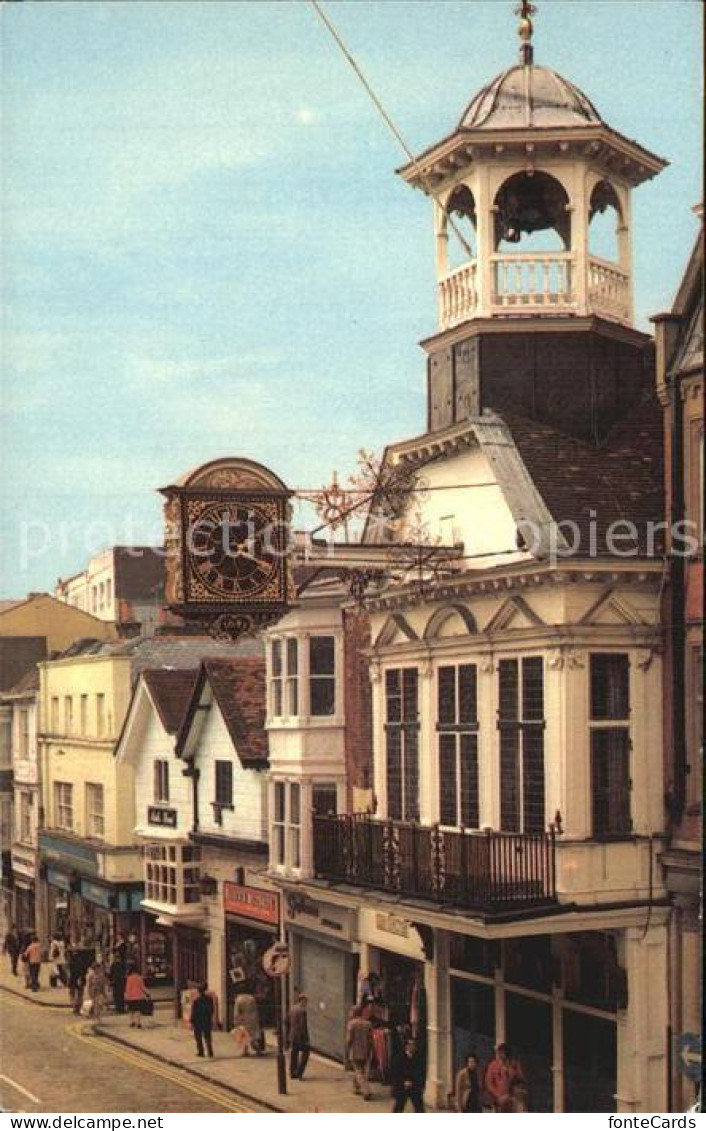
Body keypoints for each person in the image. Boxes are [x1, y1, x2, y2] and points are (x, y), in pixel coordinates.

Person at [485, 1043, 526, 1113]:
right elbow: (489, 1083)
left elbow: (520, 1080)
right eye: (500, 1053)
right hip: (498, 1100)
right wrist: (498, 1096)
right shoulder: (493, 1065)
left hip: (512, 1099)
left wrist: (515, 1093)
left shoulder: (514, 1064)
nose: (502, 1055)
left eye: (504, 1053)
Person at [346, 1005, 373, 1101]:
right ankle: (356, 1088)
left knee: (358, 1071)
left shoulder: (351, 1024)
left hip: (355, 1051)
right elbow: (371, 1040)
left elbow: (349, 1039)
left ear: (354, 1013)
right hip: (365, 1051)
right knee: (358, 1070)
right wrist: (370, 1051)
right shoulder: (368, 1024)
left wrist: (347, 1049)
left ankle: (367, 1091)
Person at [390, 1038, 425, 1113]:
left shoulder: (418, 1057)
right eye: (410, 1045)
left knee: (419, 1107)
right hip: (402, 1086)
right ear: (406, 1046)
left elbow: (421, 1072)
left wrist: (417, 1083)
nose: (412, 1047)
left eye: (414, 1045)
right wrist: (403, 1082)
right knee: (399, 1107)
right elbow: (396, 1073)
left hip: (414, 1086)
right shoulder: (399, 1058)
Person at [286, 993, 311, 1080]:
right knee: (306, 1053)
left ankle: (292, 1073)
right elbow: (303, 1026)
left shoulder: (292, 1008)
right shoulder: (302, 1011)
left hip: (292, 1035)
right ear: (302, 1000)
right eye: (306, 1001)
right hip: (300, 1037)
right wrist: (306, 1038)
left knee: (294, 1054)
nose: (306, 1003)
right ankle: (300, 1072)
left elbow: (287, 1021)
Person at [233, 989, 263, 1055]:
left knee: (244, 1035)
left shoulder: (239, 999)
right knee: (253, 1036)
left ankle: (245, 1051)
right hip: (253, 1018)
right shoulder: (251, 998)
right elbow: (255, 1009)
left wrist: (236, 1021)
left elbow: (237, 1012)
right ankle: (258, 1050)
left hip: (243, 1019)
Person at [191, 983, 215, 1058]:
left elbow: (194, 1012)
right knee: (207, 1036)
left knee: (198, 1037)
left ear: (198, 991)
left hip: (198, 1021)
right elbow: (212, 1009)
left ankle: (201, 1052)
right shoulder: (209, 999)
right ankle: (210, 1051)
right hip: (207, 1020)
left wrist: (192, 1020)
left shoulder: (196, 1001)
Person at [124, 963, 149, 1029]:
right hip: (139, 996)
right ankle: (139, 1023)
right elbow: (143, 987)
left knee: (131, 1010)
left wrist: (126, 995)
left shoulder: (129, 978)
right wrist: (147, 993)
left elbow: (127, 988)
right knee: (138, 1010)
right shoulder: (139, 978)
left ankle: (132, 1022)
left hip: (131, 997)